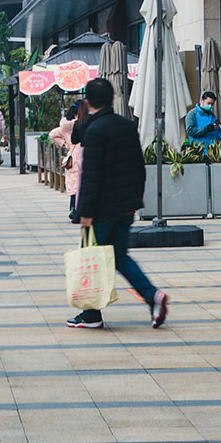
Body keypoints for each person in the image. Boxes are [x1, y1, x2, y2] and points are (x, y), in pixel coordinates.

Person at [67, 77, 169, 331]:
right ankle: (152, 296)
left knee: (92, 258)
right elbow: (138, 167)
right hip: (126, 206)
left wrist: (85, 213)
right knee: (120, 257)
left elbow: (91, 175)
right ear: (112, 100)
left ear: (88, 102)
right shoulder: (126, 126)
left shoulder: (94, 130)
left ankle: (91, 315)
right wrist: (134, 201)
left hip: (101, 209)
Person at [48, 103, 82, 223]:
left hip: (72, 157)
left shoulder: (65, 127)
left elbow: (52, 135)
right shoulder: (82, 124)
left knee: (74, 185)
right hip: (82, 156)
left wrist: (64, 144)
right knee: (81, 185)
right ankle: (78, 211)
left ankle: (73, 209)